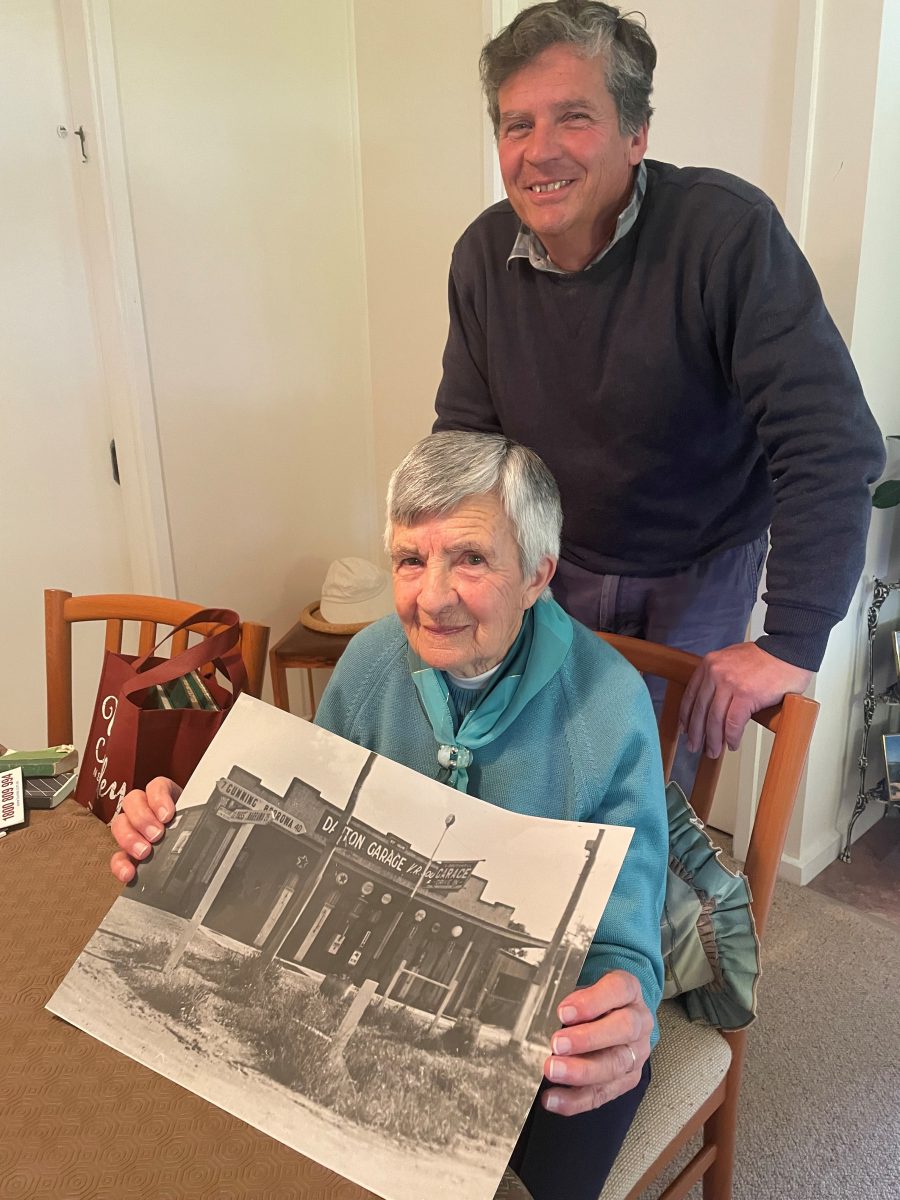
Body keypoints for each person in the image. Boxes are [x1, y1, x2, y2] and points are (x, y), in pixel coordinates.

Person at [110, 430, 669, 1200]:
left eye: (469, 558)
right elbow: (314, 812)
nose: (431, 596)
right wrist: (170, 832)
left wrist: (625, 1013)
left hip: (549, 1028)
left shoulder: (609, 708)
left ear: (538, 573)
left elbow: (625, 940)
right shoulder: (370, 662)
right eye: (411, 558)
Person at [433, 0, 886, 764]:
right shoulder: (481, 255)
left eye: (572, 117)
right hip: (552, 558)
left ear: (636, 134)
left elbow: (828, 444)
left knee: (655, 793)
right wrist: (456, 575)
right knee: (537, 771)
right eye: (517, 125)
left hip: (699, 566)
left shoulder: (727, 233)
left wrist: (793, 641)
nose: (539, 151)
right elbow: (466, 448)